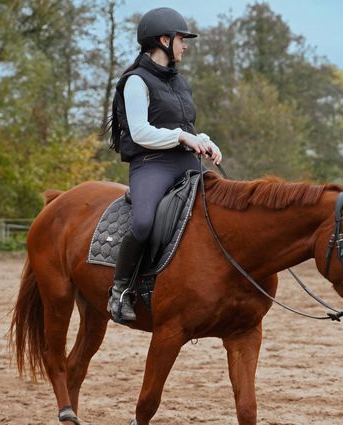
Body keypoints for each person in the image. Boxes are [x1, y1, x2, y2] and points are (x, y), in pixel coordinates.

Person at [105, 7, 222, 322]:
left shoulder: (181, 83)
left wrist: (206, 141)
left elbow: (187, 127)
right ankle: (119, 293)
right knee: (143, 223)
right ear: (163, 40)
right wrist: (184, 137)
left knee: (224, 209)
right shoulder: (135, 81)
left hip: (185, 162)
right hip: (152, 163)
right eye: (182, 39)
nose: (185, 46)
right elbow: (141, 131)